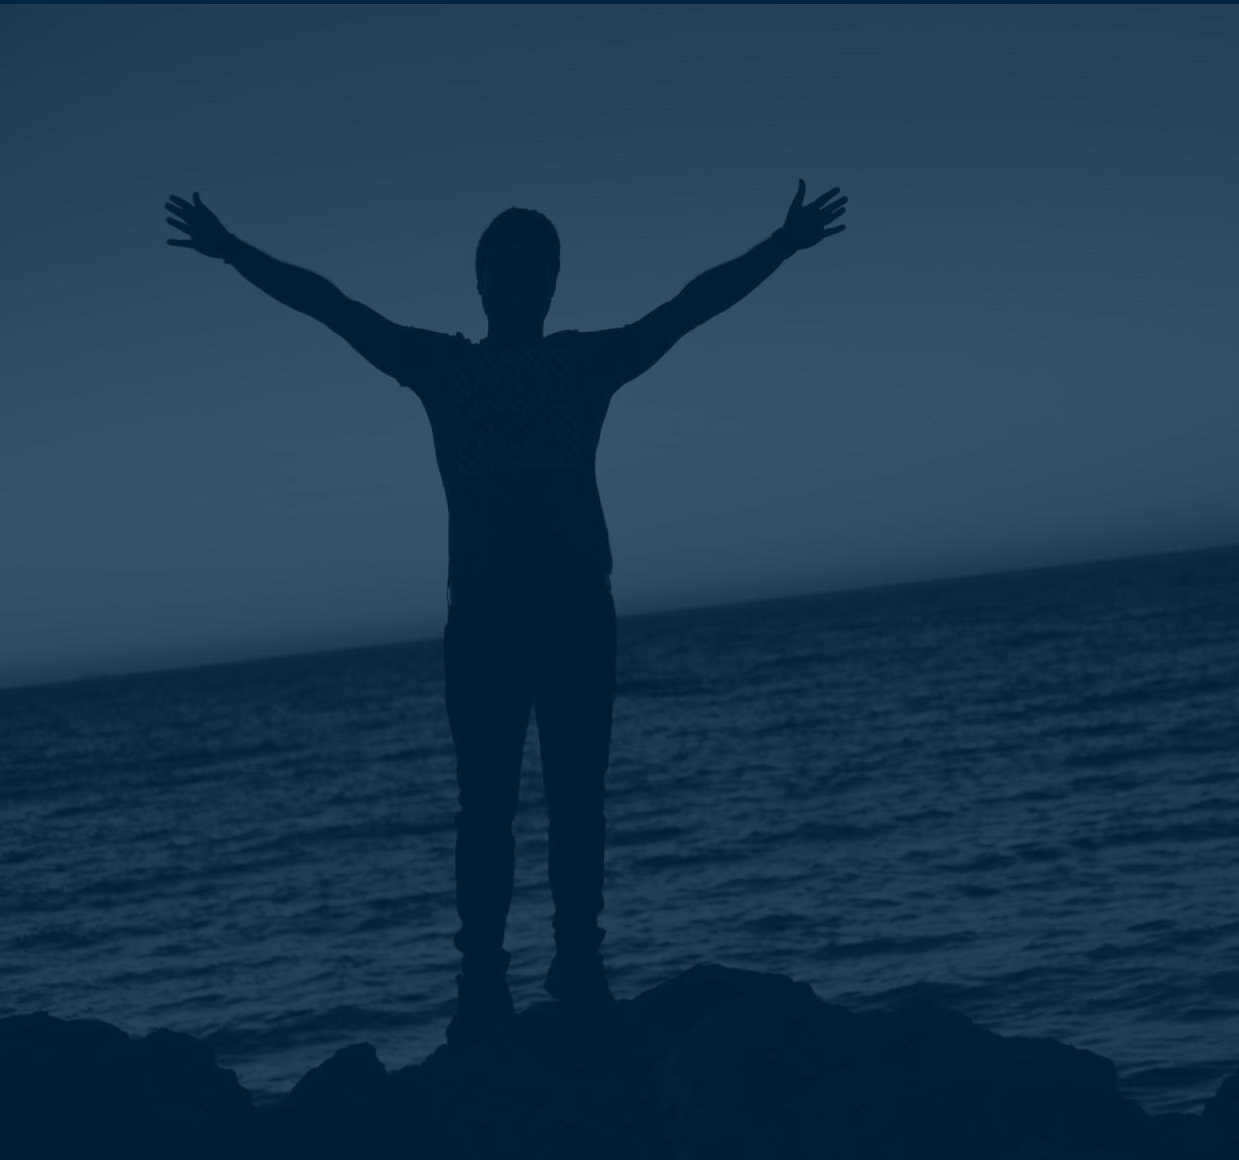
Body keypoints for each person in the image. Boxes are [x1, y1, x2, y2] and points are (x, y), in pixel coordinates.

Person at [165, 181, 848, 1045]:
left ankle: (577, 964)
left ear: (555, 282)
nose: (523, 280)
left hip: (573, 614)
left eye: (537, 267)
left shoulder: (584, 362)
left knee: (577, 800)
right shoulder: (440, 367)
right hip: (485, 620)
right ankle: (482, 984)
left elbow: (688, 307)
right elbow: (331, 306)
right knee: (485, 809)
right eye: (507, 267)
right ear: (480, 283)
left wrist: (780, 245)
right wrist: (232, 250)